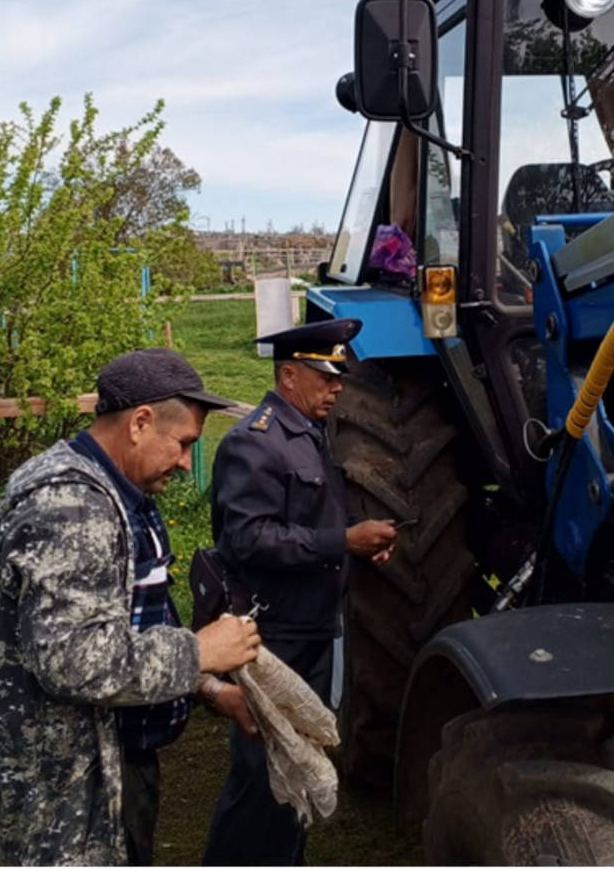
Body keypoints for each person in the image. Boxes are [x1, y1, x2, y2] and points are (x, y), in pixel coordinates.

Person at [0, 348, 263, 869]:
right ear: (140, 422)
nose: (182, 462)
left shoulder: (121, 495)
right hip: (70, 791)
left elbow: (136, 621)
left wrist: (212, 689)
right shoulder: (72, 507)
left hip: (112, 768)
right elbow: (71, 659)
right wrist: (198, 651)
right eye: (182, 445)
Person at [200, 318, 398, 868]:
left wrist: (358, 542)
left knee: (295, 770)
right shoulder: (255, 443)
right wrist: (342, 540)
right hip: (273, 634)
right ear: (289, 376)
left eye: (339, 378)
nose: (338, 388)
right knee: (263, 776)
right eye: (326, 377)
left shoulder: (308, 433)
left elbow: (312, 517)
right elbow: (247, 537)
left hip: (310, 625)